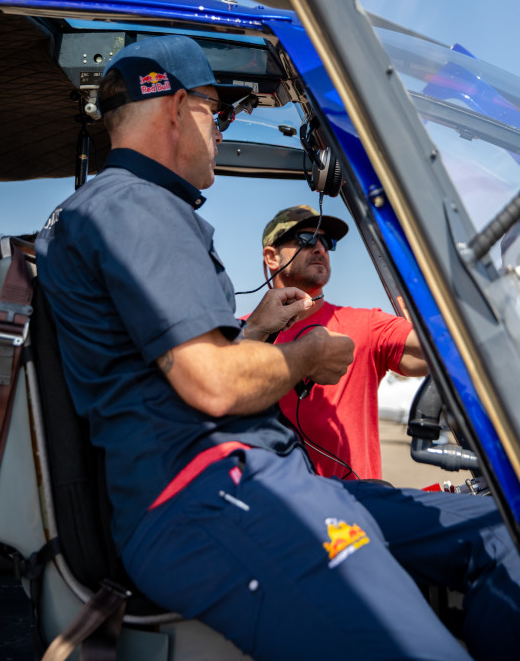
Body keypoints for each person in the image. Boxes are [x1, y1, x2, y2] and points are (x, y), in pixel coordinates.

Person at [36, 34, 520, 661]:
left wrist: (256, 333)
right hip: (209, 497)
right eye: (219, 111)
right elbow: (212, 382)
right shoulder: (137, 206)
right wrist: (308, 357)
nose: (220, 129)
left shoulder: (124, 210)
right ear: (178, 107)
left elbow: (167, 372)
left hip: (246, 480)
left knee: (495, 529)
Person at [260, 205, 427, 481]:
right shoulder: (241, 335)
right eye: (306, 238)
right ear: (272, 257)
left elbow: (439, 351)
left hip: (353, 516)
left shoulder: (366, 325)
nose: (320, 248)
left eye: (327, 242)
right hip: (273, 510)